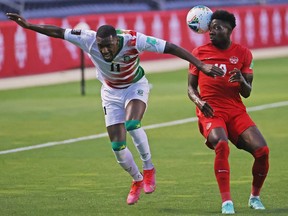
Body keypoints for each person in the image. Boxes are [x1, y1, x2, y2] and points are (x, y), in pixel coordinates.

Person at [6, 13, 224, 206]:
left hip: (134, 86)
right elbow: (57, 32)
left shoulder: (133, 40)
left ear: (116, 40)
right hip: (110, 93)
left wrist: (201, 64)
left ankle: (149, 169)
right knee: (118, 148)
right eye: (102, 47)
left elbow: (171, 47)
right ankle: (137, 179)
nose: (105, 50)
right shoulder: (87, 38)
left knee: (132, 124)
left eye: (109, 46)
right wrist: (28, 25)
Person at [187, 10, 269, 214]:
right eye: (211, 28)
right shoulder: (199, 53)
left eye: (217, 28)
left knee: (262, 152)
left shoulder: (243, 53)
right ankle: (227, 203)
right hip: (211, 110)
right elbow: (190, 88)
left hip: (235, 110)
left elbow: (247, 93)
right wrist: (199, 102)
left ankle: (255, 198)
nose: (212, 32)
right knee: (221, 144)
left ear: (230, 30)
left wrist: (242, 80)